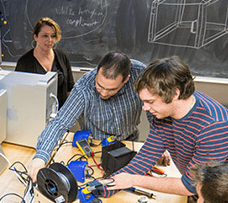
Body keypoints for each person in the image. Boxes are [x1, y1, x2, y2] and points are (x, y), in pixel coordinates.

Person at [97, 57, 228, 203]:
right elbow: (145, 158)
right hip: (196, 196)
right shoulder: (163, 113)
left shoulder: (215, 126)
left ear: (175, 93)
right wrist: (106, 185)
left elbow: (189, 185)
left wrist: (131, 180)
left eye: (150, 101)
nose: (145, 108)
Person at [28, 52, 146, 181]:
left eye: (112, 89)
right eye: (100, 86)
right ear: (96, 73)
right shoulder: (84, 86)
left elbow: (156, 110)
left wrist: (161, 144)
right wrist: (41, 156)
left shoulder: (141, 74)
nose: (104, 93)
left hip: (129, 142)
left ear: (126, 80)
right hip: (97, 146)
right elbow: (60, 122)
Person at [15, 17, 74, 108]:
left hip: (60, 115)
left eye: (53, 36)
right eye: (45, 36)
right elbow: (19, 94)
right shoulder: (24, 63)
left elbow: (70, 89)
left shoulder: (62, 57)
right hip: (34, 114)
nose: (50, 40)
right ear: (36, 37)